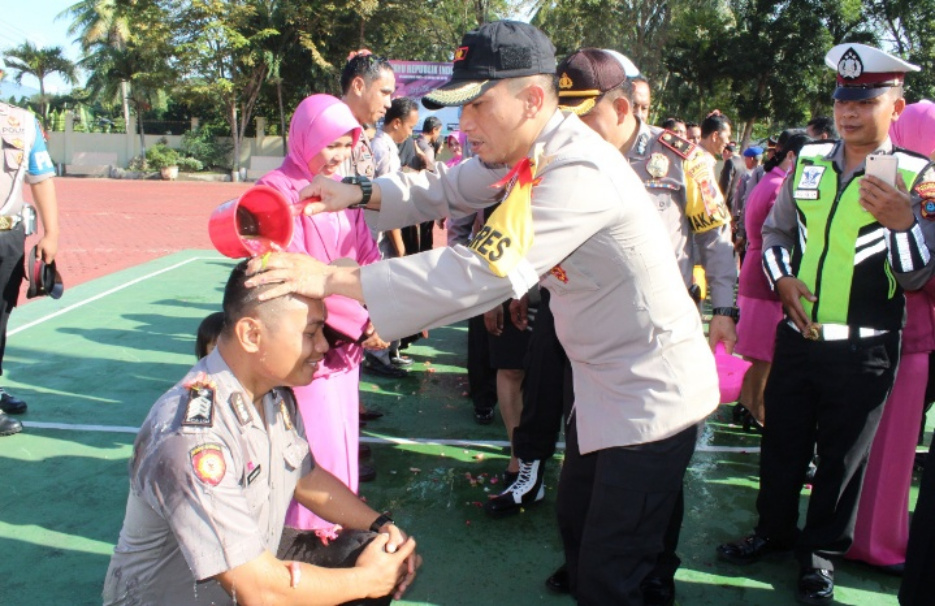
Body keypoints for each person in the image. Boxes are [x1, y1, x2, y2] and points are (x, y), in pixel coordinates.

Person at [249, 21, 719, 605]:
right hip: (603, 389)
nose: (463, 123)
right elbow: (444, 190)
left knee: (614, 572)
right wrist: (358, 191)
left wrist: (332, 278)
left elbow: (480, 273)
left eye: (477, 106)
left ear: (533, 99)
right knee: (581, 541)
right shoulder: (531, 147)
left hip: (653, 397)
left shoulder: (578, 171)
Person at [486, 47, 736, 606]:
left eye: (585, 112)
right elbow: (526, 229)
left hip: (651, 335)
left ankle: (652, 571)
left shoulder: (681, 160)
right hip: (582, 321)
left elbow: (715, 238)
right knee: (589, 457)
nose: (572, 126)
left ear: (624, 107)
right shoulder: (561, 156)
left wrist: (726, 309)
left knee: (649, 474)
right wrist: (515, 289)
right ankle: (588, 563)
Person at [717, 43, 935, 606]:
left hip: (867, 351)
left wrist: (903, 222)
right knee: (782, 445)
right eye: (843, 99)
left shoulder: (918, 177)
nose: (850, 112)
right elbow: (775, 234)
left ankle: (819, 558)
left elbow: (916, 278)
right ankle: (772, 531)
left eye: (866, 101)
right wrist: (783, 281)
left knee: (842, 460)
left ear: (896, 105)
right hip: (799, 339)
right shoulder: (808, 161)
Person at [102, 261, 420, 605]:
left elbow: (306, 478)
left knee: (369, 551)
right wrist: (366, 581)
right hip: (188, 596)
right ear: (252, 335)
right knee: (363, 576)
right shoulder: (192, 437)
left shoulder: (273, 393)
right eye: (310, 333)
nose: (323, 347)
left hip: (242, 573)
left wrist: (381, 527)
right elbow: (258, 591)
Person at [257, 93, 386, 531]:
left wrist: (381, 311)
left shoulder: (341, 190)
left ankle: (338, 537)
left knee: (342, 444)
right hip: (305, 352)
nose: (338, 155)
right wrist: (362, 321)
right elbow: (288, 273)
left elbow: (367, 254)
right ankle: (308, 544)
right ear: (304, 137)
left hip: (346, 353)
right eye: (329, 144)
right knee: (313, 458)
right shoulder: (274, 192)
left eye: (346, 144)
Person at [846, 100, 935, 575]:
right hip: (911, 333)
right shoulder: (925, 188)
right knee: (893, 447)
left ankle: (848, 532)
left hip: (865, 325)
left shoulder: (875, 176)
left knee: (858, 441)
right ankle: (878, 540)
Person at [734, 131, 811, 431]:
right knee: (764, 352)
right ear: (792, 156)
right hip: (767, 274)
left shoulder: (768, 180)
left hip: (755, 267)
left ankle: (746, 404)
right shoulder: (781, 185)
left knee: (755, 350)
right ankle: (757, 409)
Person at [338, 52, 408, 382]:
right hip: (332, 267)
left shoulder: (361, 137)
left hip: (357, 260)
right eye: (384, 92)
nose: (389, 102)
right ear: (357, 85)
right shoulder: (329, 132)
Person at [0, 88, 60, 437]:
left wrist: (51, 233)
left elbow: (41, 178)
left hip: (8, 235)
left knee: (2, 315)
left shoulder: (20, 122)